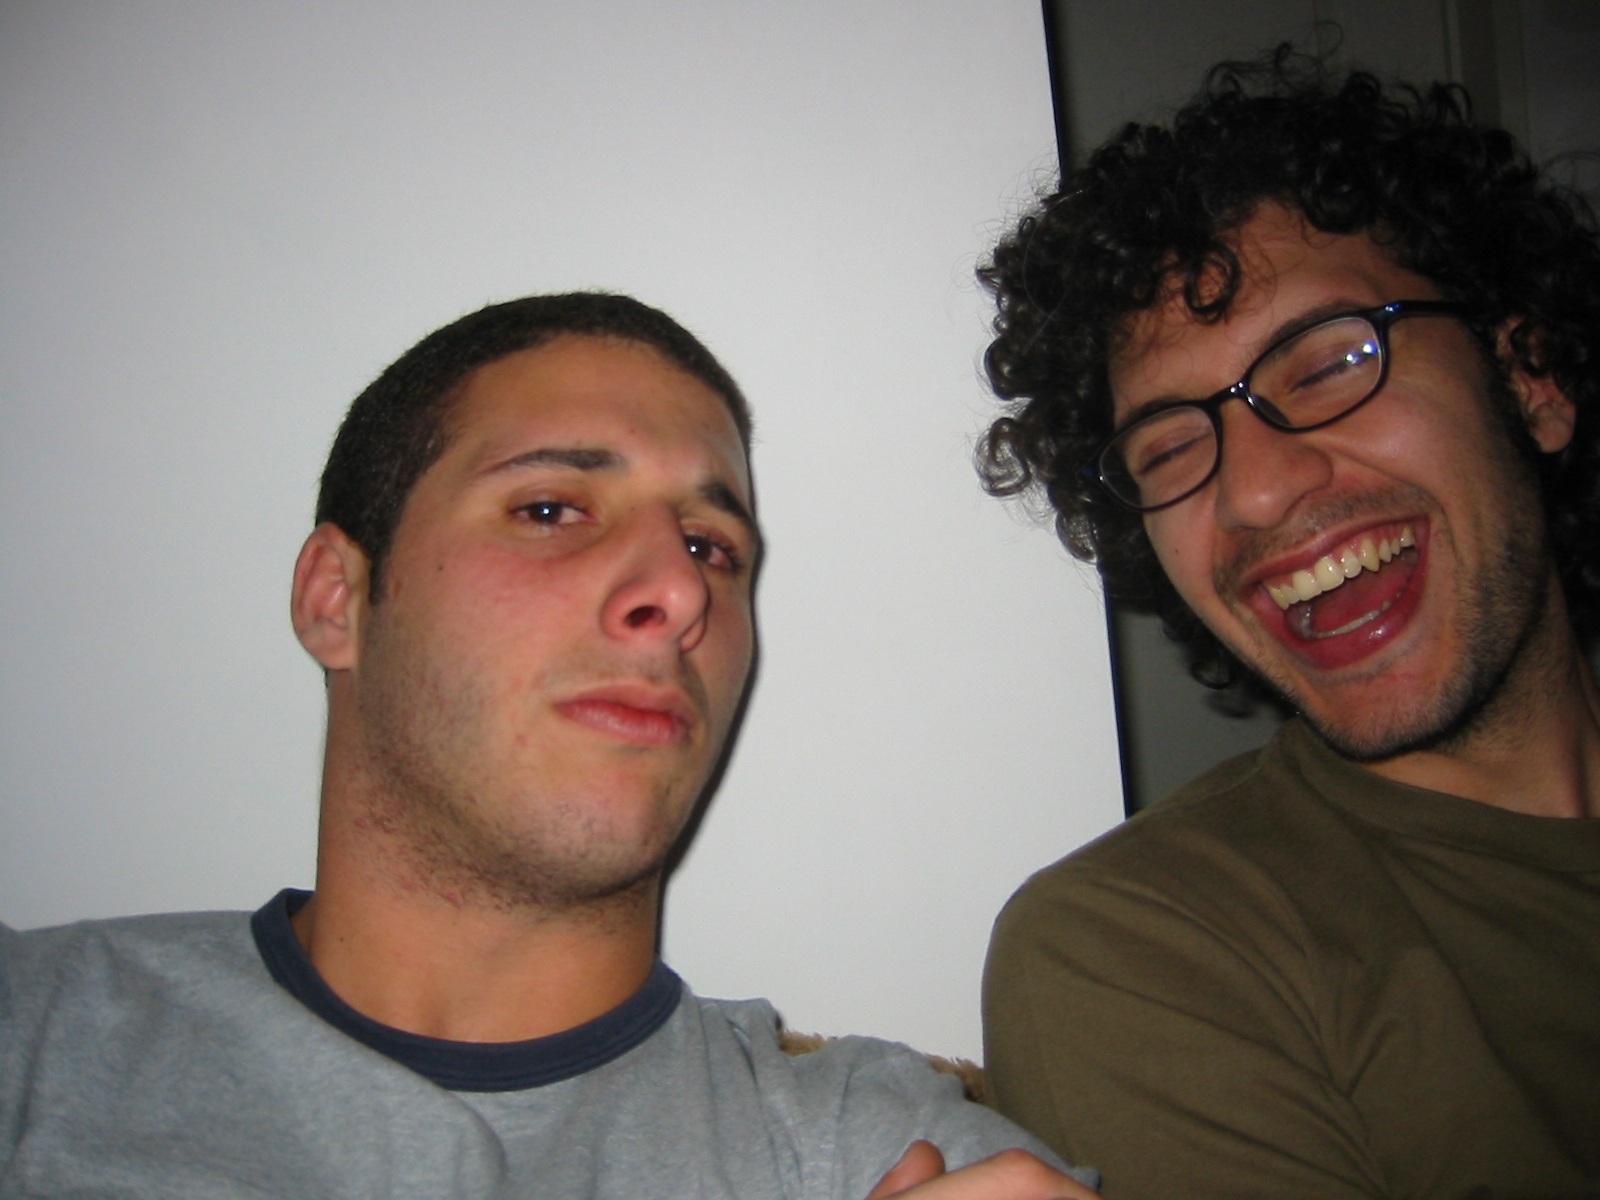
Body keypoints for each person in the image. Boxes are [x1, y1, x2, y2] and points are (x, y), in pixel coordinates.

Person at [0, 293, 1097, 1199]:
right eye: (550, 510)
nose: (678, 591)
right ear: (338, 597)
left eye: (711, 547)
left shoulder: (874, 1149)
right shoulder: (38, 1041)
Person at [975, 49, 1600, 1200]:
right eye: (1170, 446)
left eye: (1325, 365)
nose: (1254, 493)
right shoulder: (1148, 945)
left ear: (1530, 379)